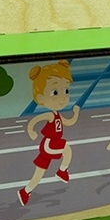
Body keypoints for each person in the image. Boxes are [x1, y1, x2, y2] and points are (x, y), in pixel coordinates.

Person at [17, 60, 80, 206]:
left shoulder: (57, 115)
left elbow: (69, 122)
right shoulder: (51, 115)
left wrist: (76, 113)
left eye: (66, 91)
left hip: (50, 145)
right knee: (67, 149)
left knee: (39, 173)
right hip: (49, 143)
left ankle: (26, 191)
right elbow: (35, 120)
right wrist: (31, 131)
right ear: (40, 98)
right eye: (55, 92)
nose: (63, 97)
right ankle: (62, 170)